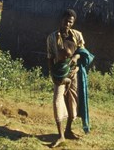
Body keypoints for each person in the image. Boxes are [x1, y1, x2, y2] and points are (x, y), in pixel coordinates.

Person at [47, 9, 85, 148]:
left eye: (71, 21)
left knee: (72, 100)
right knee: (58, 100)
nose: (68, 23)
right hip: (60, 74)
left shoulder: (77, 35)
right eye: (66, 20)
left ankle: (68, 130)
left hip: (74, 72)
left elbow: (82, 52)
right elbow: (50, 57)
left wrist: (76, 57)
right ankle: (60, 135)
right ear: (61, 19)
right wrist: (52, 73)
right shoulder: (52, 37)